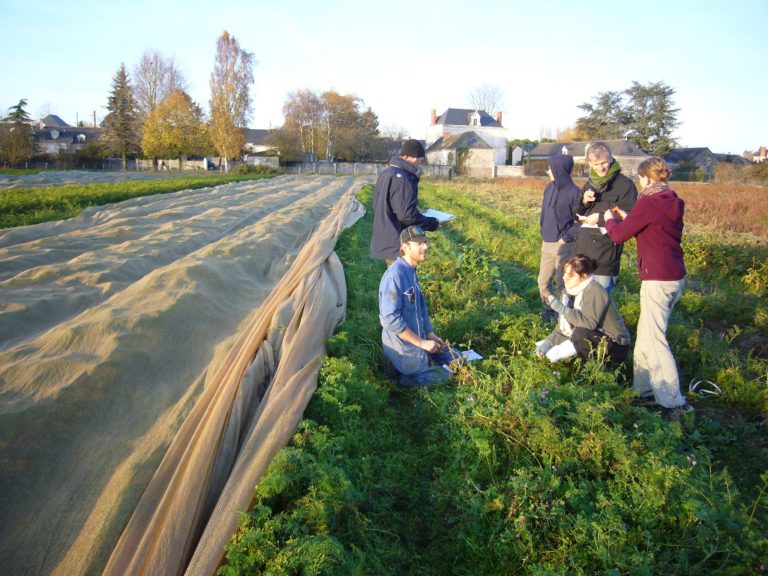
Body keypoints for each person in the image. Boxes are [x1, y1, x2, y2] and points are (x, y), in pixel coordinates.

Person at [603, 156, 693, 420]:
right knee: (645, 332)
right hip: (675, 275)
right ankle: (642, 390)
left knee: (655, 339)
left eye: (639, 179)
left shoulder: (648, 202)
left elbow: (619, 235)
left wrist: (610, 219)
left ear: (644, 178)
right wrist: (629, 217)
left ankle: (673, 402)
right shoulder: (671, 199)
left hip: (657, 278)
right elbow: (653, 227)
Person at [379, 225, 459, 386]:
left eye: (425, 242)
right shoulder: (395, 276)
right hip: (403, 348)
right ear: (405, 247)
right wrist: (422, 343)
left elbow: (421, 307)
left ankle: (421, 366)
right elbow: (389, 319)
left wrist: (429, 334)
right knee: (446, 378)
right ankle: (397, 377)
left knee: (458, 360)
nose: (425, 246)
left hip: (420, 339)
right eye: (419, 243)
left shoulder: (411, 271)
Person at [535, 254, 630, 364]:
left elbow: (588, 323)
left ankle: (596, 369)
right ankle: (581, 365)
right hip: (595, 336)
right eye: (565, 273)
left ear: (583, 276)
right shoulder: (568, 292)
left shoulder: (594, 290)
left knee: (579, 334)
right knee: (577, 334)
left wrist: (563, 309)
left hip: (615, 344)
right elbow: (564, 327)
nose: (564, 277)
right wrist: (547, 343)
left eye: (570, 275)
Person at [571, 141, 638, 293]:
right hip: (582, 252)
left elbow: (629, 218)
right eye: (595, 165)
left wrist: (600, 218)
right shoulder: (589, 184)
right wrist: (583, 202)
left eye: (604, 163)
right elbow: (575, 214)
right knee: (580, 301)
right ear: (589, 163)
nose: (601, 168)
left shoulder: (625, 186)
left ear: (611, 159)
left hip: (605, 256)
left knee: (600, 303)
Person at [371, 139, 440, 265]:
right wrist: (432, 224)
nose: (420, 162)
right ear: (411, 156)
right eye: (419, 158)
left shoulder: (386, 173)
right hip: (399, 242)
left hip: (387, 237)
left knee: (395, 277)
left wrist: (414, 211)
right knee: (401, 280)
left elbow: (382, 205)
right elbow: (406, 215)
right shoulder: (402, 178)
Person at [538, 154, 582, 322]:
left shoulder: (575, 192)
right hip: (546, 242)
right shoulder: (549, 188)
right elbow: (544, 213)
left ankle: (562, 318)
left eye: (550, 168)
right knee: (543, 281)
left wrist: (566, 238)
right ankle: (548, 311)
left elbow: (580, 221)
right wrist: (543, 231)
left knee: (562, 284)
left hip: (563, 246)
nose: (548, 170)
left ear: (559, 169)